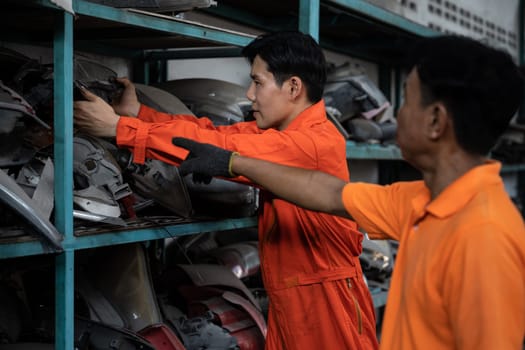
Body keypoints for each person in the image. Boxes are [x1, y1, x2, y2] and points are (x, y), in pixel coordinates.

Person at [171, 35, 525, 350]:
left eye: (406, 102)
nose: (396, 117)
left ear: (435, 121)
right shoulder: (421, 201)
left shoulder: (484, 234)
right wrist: (233, 163)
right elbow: (329, 192)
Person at [74, 31, 379, 349]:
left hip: (324, 304)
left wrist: (121, 129)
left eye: (258, 82)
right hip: (295, 299)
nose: (250, 94)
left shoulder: (310, 143)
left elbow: (223, 147)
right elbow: (208, 132)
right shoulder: (286, 132)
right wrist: (139, 115)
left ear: (293, 87)